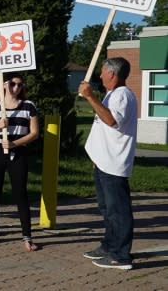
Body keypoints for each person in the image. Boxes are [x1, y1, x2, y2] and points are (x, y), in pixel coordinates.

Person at [79, 57, 137, 270]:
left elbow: (112, 121)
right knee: (107, 208)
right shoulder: (113, 94)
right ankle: (109, 245)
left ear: (112, 74)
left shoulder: (122, 95)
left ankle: (121, 256)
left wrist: (90, 97)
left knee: (118, 210)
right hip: (103, 162)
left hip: (114, 163)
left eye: (103, 71)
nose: (100, 75)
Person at [0, 72, 40, 251]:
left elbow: (34, 133)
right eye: (13, 84)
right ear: (5, 84)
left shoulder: (28, 106)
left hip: (18, 152)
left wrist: (15, 143)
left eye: (20, 85)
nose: (16, 88)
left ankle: (27, 236)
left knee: (20, 194)